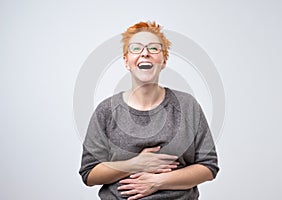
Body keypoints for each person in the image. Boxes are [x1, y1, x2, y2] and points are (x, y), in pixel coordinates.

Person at [79, 21, 219, 200]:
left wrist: (158, 182)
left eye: (154, 48)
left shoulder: (187, 106)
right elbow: (89, 174)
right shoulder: (106, 111)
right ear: (127, 62)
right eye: (136, 48)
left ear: (164, 61)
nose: (145, 53)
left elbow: (209, 167)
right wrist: (134, 164)